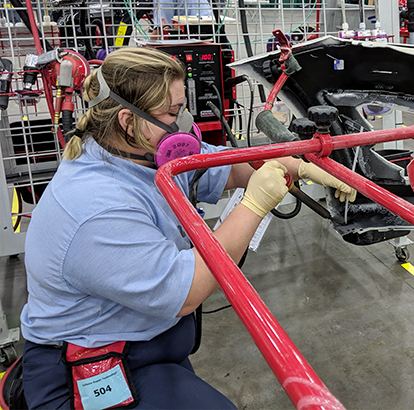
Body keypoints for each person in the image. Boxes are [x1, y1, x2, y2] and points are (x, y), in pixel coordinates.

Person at [19, 47, 357, 409]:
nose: (184, 122)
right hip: (89, 365)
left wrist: (289, 163)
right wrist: (254, 205)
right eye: (173, 112)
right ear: (126, 120)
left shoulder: (138, 153)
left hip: (145, 344)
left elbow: (224, 168)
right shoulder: (96, 207)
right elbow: (188, 290)